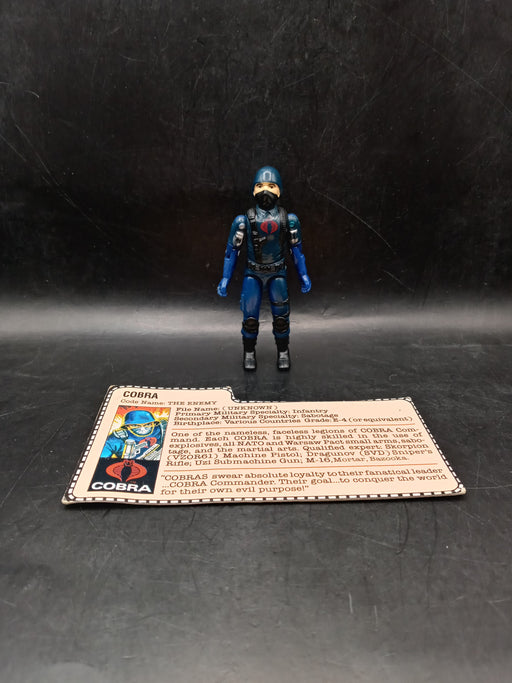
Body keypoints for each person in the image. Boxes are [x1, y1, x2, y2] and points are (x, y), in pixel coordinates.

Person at [217, 166, 311, 370]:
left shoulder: (289, 220)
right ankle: (249, 352)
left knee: (281, 317)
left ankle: (283, 351)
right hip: (253, 273)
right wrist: (225, 278)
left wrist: (303, 274)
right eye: (259, 186)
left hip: (278, 273)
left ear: (279, 190)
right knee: (250, 317)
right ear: (253, 190)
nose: (265, 190)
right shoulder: (243, 221)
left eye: (271, 185)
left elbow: (297, 250)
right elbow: (231, 252)